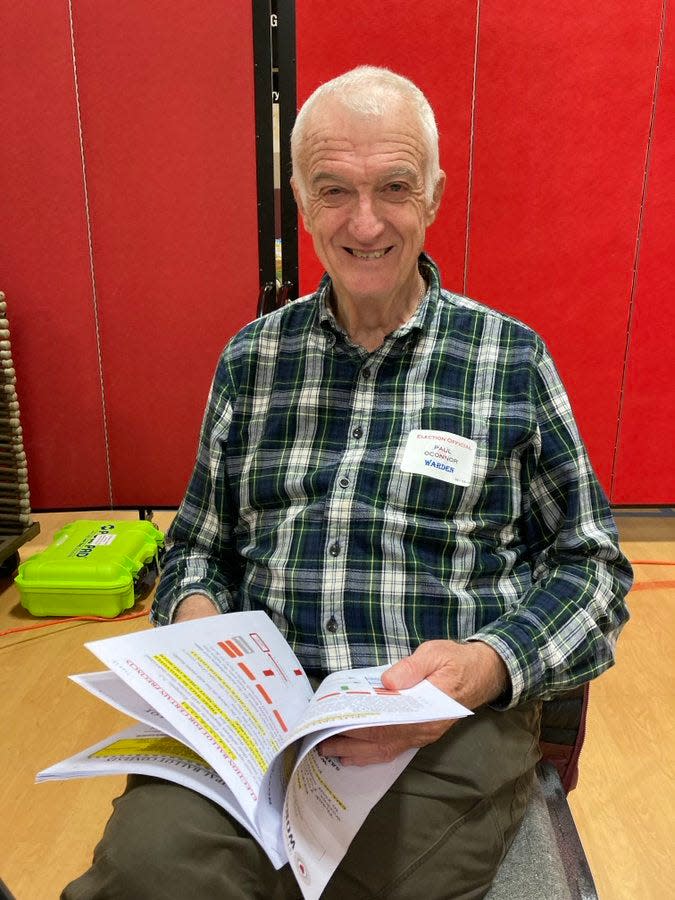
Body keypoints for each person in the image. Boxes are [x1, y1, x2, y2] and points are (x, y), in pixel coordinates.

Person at [63, 66, 631, 899]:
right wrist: (201, 626)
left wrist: (484, 666)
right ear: (300, 199)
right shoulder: (252, 361)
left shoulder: (509, 359)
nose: (364, 222)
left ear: (433, 194)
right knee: (144, 874)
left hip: (441, 730)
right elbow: (195, 546)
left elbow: (592, 567)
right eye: (334, 190)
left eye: (393, 187)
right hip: (257, 729)